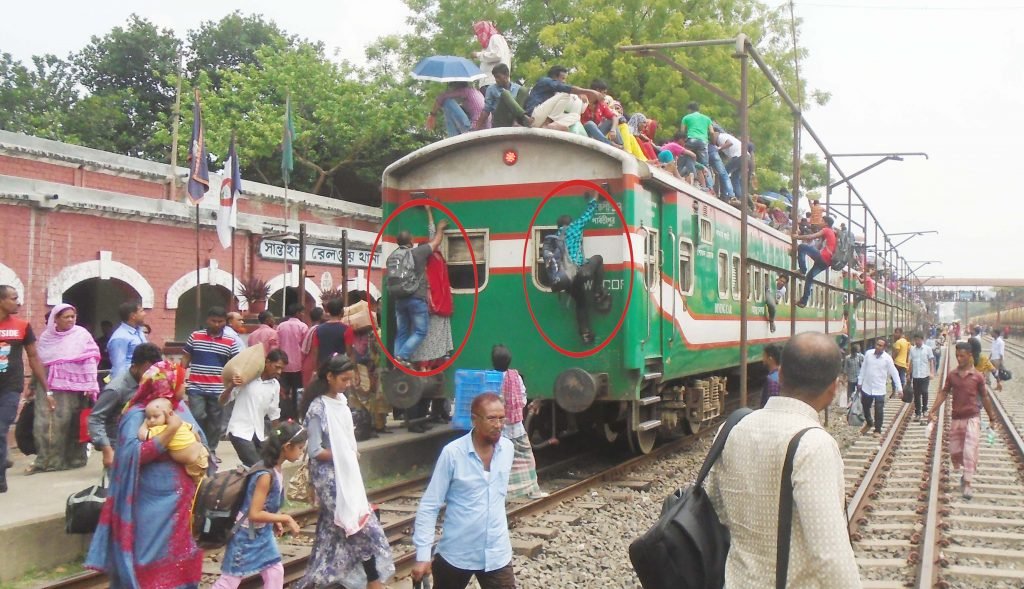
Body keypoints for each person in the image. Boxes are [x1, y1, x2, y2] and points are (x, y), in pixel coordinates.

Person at [705, 332, 861, 588]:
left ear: (781, 374)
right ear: (833, 387)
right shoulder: (814, 445)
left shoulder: (731, 429)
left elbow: (716, 508)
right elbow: (831, 557)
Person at [85, 361, 207, 588]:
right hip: (152, 501)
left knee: (184, 555)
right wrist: (171, 431)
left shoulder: (180, 408)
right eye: (182, 381)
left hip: (183, 502)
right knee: (148, 555)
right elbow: (132, 454)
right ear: (168, 384)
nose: (185, 385)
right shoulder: (137, 415)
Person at [298, 355, 394, 589]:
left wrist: (347, 454)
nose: (348, 384)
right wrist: (343, 454)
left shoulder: (341, 401)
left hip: (347, 473)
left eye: (350, 379)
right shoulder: (318, 408)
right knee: (355, 525)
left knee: (332, 528)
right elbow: (315, 450)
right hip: (329, 477)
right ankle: (373, 579)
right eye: (344, 379)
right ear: (330, 377)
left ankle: (322, 578)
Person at [413, 393, 517, 588]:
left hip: (496, 554)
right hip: (457, 554)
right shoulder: (453, 453)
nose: (498, 425)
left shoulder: (507, 449)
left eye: (502, 418)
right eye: (491, 418)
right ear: (474, 420)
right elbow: (430, 505)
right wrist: (423, 555)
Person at [210, 421, 306, 589]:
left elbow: (264, 505)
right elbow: (254, 513)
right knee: (230, 580)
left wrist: (274, 519)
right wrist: (285, 518)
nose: (302, 452)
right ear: (287, 447)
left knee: (275, 572)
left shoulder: (275, 468)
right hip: (245, 535)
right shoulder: (265, 475)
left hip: (262, 532)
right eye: (300, 447)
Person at [29, 303, 100, 473]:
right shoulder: (47, 337)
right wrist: (32, 385)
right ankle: (48, 461)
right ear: (56, 319)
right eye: (66, 317)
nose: (70, 320)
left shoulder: (81, 335)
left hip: (76, 389)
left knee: (73, 423)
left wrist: (91, 385)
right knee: (45, 424)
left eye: (73, 316)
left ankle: (74, 460)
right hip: (48, 387)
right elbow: (39, 362)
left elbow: (91, 359)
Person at [926, 342, 999, 499]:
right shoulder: (952, 375)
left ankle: (967, 483)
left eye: (962, 356)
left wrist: (992, 418)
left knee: (969, 451)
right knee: (956, 452)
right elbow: (943, 393)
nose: (959, 359)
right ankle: (964, 475)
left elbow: (985, 397)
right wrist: (932, 410)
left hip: (972, 418)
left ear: (970, 356)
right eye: (957, 356)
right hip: (957, 418)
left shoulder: (977, 376)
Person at [0, 285, 48, 492]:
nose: (18, 302)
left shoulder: (22, 326)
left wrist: (45, 388)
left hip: (10, 388)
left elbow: (33, 357)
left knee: (0, 428)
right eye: (13, 298)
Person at [89, 342, 163, 469]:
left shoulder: (153, 381)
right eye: (147, 370)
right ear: (135, 366)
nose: (151, 374)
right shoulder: (116, 389)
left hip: (143, 443)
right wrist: (107, 450)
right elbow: (95, 419)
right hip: (119, 446)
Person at [182, 306, 240, 460]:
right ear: (207, 320)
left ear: (225, 322)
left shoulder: (231, 342)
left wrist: (234, 381)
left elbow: (236, 363)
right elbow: (186, 357)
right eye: (213, 321)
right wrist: (179, 375)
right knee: (196, 415)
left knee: (215, 422)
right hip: (196, 386)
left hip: (218, 389)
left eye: (220, 321)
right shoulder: (195, 336)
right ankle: (197, 447)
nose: (216, 324)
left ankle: (211, 450)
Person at [390, 218, 448, 366]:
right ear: (411, 240)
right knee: (421, 331)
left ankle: (397, 360)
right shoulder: (417, 252)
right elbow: (436, 242)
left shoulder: (393, 257)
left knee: (402, 332)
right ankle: (402, 357)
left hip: (399, 299)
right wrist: (440, 229)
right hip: (416, 298)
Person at [492, 344, 546, 500]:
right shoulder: (515, 377)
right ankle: (532, 490)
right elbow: (522, 398)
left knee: (498, 461)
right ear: (509, 361)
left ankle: (500, 492)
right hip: (516, 426)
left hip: (497, 428)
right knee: (526, 458)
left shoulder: (491, 378)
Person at [557, 194, 613, 344]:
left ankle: (585, 333)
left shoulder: (555, 238)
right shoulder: (573, 229)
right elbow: (587, 214)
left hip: (565, 281)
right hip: (580, 272)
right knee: (598, 259)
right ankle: (598, 292)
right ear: (569, 223)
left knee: (580, 302)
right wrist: (595, 197)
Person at [220, 349, 287, 467]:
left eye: (281, 369)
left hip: (258, 434)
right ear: (267, 362)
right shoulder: (247, 378)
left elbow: (274, 413)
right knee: (257, 467)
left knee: (266, 465)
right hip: (239, 431)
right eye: (277, 367)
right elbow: (222, 401)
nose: (279, 372)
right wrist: (231, 386)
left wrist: (279, 435)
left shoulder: (275, 385)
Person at [411, 207, 455, 369]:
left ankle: (429, 366)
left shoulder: (434, 256)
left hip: (438, 304)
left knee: (434, 337)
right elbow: (433, 235)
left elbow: (432, 234)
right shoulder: (426, 260)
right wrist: (439, 229)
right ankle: (425, 367)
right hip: (431, 304)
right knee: (428, 338)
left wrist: (429, 212)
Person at [346, 291, 392, 436]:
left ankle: (368, 426)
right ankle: (376, 426)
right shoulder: (374, 333)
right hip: (371, 368)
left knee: (362, 398)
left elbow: (350, 351)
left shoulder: (352, 333)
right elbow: (378, 351)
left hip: (358, 367)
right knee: (374, 397)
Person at [138, 397, 209, 483]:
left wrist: (145, 423)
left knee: (199, 484)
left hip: (194, 462)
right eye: (148, 417)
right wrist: (199, 443)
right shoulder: (181, 422)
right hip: (201, 453)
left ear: (169, 414)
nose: (152, 420)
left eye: (156, 416)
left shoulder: (160, 429)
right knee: (204, 478)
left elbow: (142, 435)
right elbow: (194, 432)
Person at [523, 66, 602, 130]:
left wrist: (579, 94)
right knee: (565, 94)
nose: (564, 81)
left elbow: (567, 91)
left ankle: (551, 125)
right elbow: (566, 88)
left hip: (541, 120)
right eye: (563, 78)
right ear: (554, 77)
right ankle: (548, 123)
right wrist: (590, 92)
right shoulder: (546, 81)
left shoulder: (554, 91)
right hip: (533, 116)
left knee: (575, 116)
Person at [857, 338, 902, 435]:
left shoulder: (887, 359)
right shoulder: (868, 354)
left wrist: (899, 388)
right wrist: (860, 381)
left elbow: (894, 373)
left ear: (884, 348)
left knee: (879, 409)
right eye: (877, 344)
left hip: (879, 388)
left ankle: (877, 429)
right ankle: (869, 422)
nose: (877, 347)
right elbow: (863, 368)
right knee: (865, 406)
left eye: (880, 345)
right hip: (867, 386)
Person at [792, 216, 837, 307]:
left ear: (826, 223)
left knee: (802, 247)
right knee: (809, 277)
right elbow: (816, 247)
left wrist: (797, 237)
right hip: (826, 263)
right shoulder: (831, 234)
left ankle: (802, 270)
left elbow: (810, 237)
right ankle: (803, 302)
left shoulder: (826, 230)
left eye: (822, 221)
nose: (820, 222)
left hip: (823, 257)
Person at [275, 303, 309, 421]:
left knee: (283, 391)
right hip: (298, 364)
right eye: (302, 312)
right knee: (297, 392)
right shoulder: (303, 327)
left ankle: (283, 415)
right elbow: (305, 346)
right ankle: (295, 416)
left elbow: (277, 344)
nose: (303, 314)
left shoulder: (281, 326)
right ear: (298, 313)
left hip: (282, 364)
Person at [474, 64, 532, 129]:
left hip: (516, 120)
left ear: (507, 75)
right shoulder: (491, 89)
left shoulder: (517, 88)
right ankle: (524, 117)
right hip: (500, 120)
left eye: (498, 77)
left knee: (524, 90)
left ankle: (516, 121)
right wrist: (476, 128)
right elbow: (486, 111)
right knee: (505, 93)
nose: (496, 80)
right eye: (495, 77)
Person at [310, 298, 356, 366]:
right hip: (340, 367)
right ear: (342, 311)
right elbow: (349, 352)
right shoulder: (347, 329)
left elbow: (315, 352)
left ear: (328, 311)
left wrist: (316, 369)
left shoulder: (318, 329)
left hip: (324, 367)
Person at [107, 300, 147, 378]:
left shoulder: (139, 332)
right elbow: (119, 368)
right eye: (141, 311)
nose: (144, 314)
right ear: (133, 316)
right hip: (129, 381)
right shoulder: (120, 337)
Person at [472, 21, 510, 91]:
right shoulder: (491, 41)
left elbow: (497, 55)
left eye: (478, 33)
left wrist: (478, 54)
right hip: (490, 82)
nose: (478, 36)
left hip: (492, 82)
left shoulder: (495, 38)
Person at [907, 333, 934, 422]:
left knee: (924, 391)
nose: (917, 342)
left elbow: (931, 361)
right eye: (916, 340)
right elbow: (911, 362)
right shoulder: (912, 349)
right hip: (916, 375)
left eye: (919, 340)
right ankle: (917, 413)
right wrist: (908, 374)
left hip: (925, 375)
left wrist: (932, 372)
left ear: (922, 340)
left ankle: (925, 409)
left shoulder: (928, 349)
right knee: (916, 395)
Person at [679, 101, 712, 167]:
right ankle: (706, 173)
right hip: (703, 141)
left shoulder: (686, 118)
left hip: (691, 139)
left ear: (689, 109)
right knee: (705, 164)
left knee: (685, 157)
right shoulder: (707, 118)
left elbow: (682, 132)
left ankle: (679, 171)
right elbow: (712, 132)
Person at [760, 344, 782, 409]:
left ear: (770, 359)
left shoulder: (772, 380)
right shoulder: (783, 374)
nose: (763, 359)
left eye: (764, 356)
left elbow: (772, 404)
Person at [890, 327, 910, 398]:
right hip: (903, 364)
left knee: (894, 377)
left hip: (897, 362)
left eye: (897, 333)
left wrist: (892, 360)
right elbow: (907, 352)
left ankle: (893, 393)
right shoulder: (906, 341)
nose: (895, 334)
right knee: (902, 378)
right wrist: (906, 362)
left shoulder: (898, 342)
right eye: (895, 332)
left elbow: (896, 352)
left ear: (901, 333)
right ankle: (902, 393)